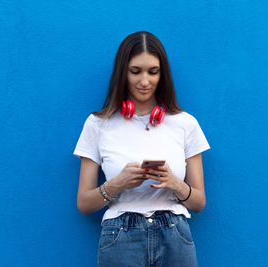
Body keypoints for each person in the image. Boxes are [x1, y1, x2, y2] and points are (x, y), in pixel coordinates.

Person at [74, 31, 210, 267]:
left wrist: (174, 182)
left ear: (162, 74)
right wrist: (118, 184)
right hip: (120, 236)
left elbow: (199, 203)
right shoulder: (97, 124)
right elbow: (84, 204)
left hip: (174, 234)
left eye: (153, 72)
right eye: (135, 71)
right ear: (122, 73)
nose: (145, 81)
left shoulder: (186, 123)